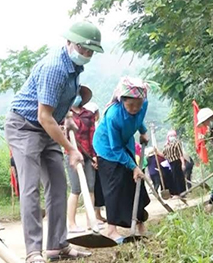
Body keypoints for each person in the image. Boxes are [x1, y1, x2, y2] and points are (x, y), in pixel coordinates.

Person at [5, 20, 101, 263]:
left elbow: (59, 103)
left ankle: (57, 245)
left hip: (50, 127)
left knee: (58, 185)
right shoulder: (55, 68)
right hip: (25, 126)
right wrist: (71, 149)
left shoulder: (74, 68)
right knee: (30, 187)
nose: (86, 55)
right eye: (83, 49)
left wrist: (67, 117)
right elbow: (43, 116)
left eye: (90, 51)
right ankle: (33, 251)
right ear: (69, 42)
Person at [93, 77, 151, 242]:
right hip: (107, 148)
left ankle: (140, 224)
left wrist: (143, 131)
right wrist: (133, 166)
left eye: (138, 105)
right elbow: (115, 147)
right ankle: (111, 229)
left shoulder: (143, 105)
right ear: (122, 100)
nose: (134, 109)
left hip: (125, 142)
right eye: (130, 105)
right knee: (115, 186)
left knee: (135, 183)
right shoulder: (113, 115)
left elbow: (138, 119)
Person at [65, 85, 98, 233]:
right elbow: (61, 135)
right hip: (71, 154)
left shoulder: (88, 115)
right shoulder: (64, 114)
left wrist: (94, 156)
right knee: (76, 189)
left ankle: (91, 222)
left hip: (88, 154)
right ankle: (71, 224)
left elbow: (92, 136)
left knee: (91, 187)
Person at [163, 129, 187, 197]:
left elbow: (180, 154)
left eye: (173, 135)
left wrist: (183, 163)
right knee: (173, 178)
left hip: (177, 162)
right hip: (170, 163)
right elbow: (164, 154)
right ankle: (175, 193)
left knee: (179, 177)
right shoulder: (166, 145)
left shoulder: (177, 143)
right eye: (170, 136)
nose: (171, 137)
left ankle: (182, 192)